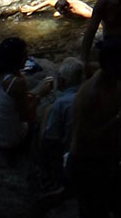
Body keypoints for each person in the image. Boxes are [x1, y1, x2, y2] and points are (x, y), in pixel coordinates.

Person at [66, 40, 121, 218]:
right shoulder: (91, 95)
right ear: (109, 65)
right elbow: (83, 138)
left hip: (111, 157)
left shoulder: (117, 81)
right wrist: (120, 121)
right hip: (88, 165)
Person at [0, 36, 54, 154]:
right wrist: (40, 94)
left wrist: (33, 94)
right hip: (7, 141)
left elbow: (11, 100)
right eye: (25, 55)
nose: (27, 58)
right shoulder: (16, 82)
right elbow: (25, 116)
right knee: (45, 112)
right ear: (17, 59)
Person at [37, 57, 86, 194]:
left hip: (68, 156)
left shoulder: (60, 105)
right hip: (89, 148)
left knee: (45, 121)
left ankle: (48, 176)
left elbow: (49, 140)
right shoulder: (89, 94)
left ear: (62, 81)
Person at [21, 0, 94, 20]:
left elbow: (97, 18)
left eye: (62, 11)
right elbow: (49, 2)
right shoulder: (62, 3)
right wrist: (33, 8)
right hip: (71, 12)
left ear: (67, 8)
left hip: (89, 17)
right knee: (56, 15)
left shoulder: (83, 11)